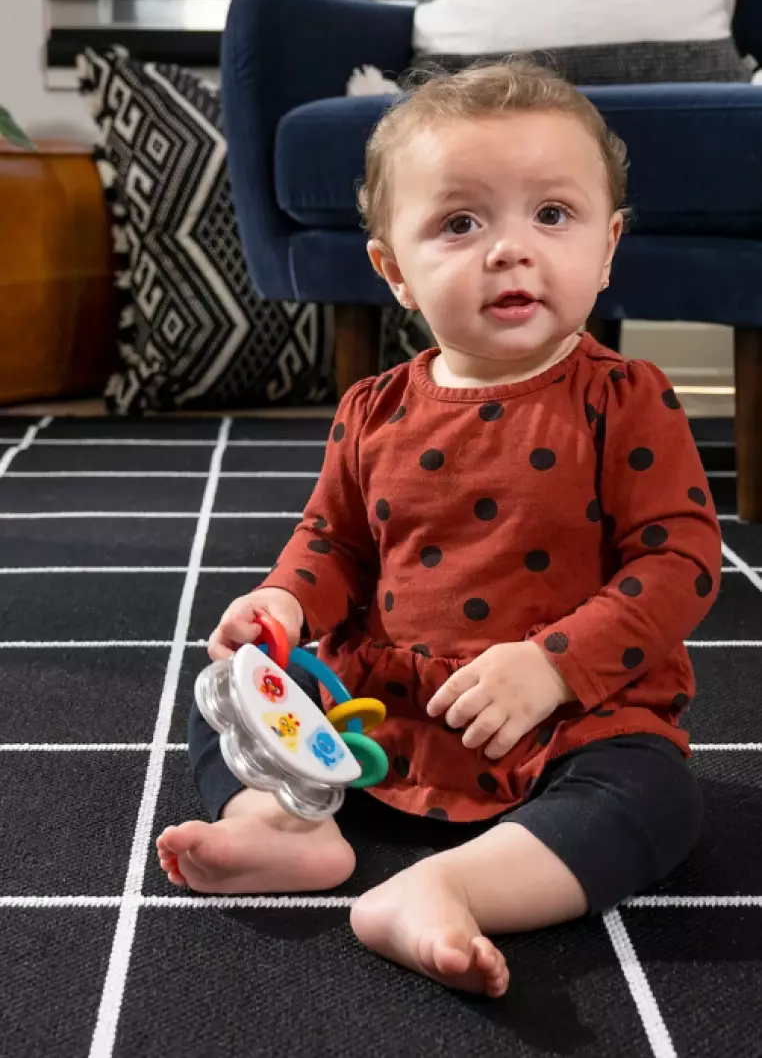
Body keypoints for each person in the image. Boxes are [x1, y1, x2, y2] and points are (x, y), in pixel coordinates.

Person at [157, 60, 721, 999]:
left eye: (553, 214)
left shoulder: (627, 400)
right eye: (461, 223)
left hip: (566, 717)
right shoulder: (373, 408)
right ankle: (285, 823)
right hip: (379, 705)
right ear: (395, 271)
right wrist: (283, 606)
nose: (511, 250)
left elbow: (681, 562)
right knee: (228, 688)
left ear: (609, 245)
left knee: (656, 796)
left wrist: (552, 663)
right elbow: (333, 541)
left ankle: (450, 889)